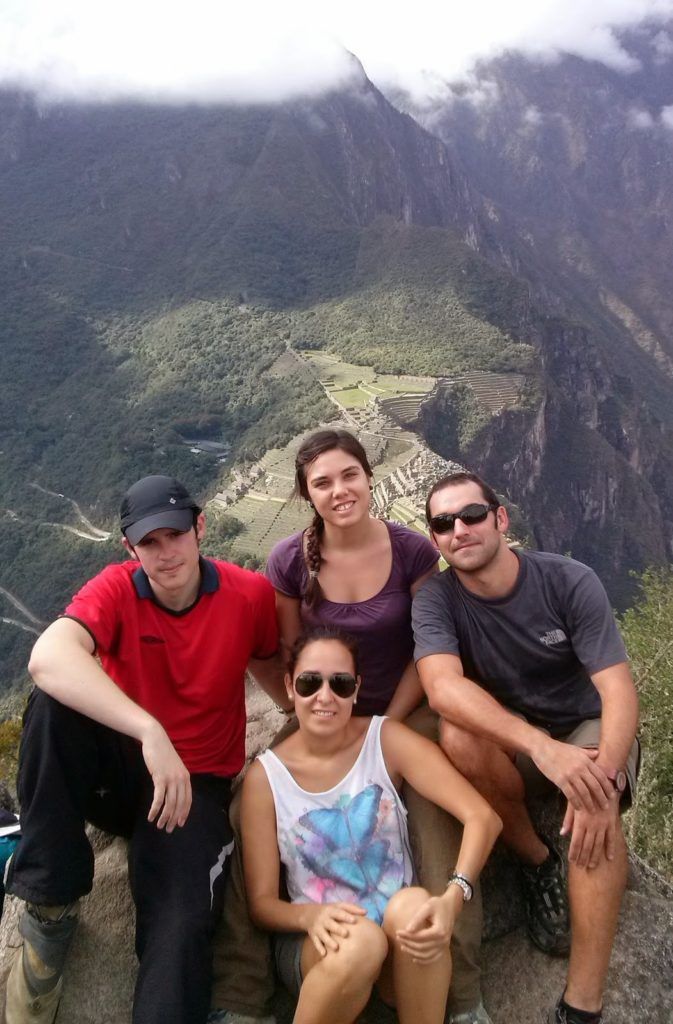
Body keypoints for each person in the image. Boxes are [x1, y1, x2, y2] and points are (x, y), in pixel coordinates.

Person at [212, 429, 490, 1024]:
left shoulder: (413, 551)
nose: (340, 491)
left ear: (369, 475)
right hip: (333, 703)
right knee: (245, 809)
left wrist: (385, 726)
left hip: (402, 708)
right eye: (323, 483)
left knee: (435, 830)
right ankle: (239, 993)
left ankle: (462, 998)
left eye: (349, 475)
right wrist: (305, 710)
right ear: (306, 495)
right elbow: (293, 655)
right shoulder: (289, 560)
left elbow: (428, 643)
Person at [3, 475, 280, 1024]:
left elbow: (273, 669)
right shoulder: (116, 588)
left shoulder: (248, 594)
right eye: (149, 542)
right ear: (130, 549)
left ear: (200, 528)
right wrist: (150, 731)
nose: (165, 551)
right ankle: (51, 904)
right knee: (53, 704)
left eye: (175, 534)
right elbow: (48, 656)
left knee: (178, 921)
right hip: (123, 770)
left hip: (192, 787)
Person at [412, 471, 640, 1024]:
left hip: (585, 724)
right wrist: (541, 748)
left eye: (471, 515)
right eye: (444, 524)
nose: (459, 530)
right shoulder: (436, 600)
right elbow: (441, 687)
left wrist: (603, 774)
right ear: (435, 539)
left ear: (500, 519)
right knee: (456, 732)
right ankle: (538, 861)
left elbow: (616, 689)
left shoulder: (567, 580)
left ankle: (582, 1005)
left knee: (595, 806)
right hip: (520, 737)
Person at [241, 627, 502, 1024]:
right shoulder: (267, 778)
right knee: (361, 941)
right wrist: (309, 917)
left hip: (399, 945)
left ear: (357, 689)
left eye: (340, 684)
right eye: (310, 682)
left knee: (416, 905)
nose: (325, 696)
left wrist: (452, 897)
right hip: (323, 948)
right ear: (290, 687)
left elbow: (482, 817)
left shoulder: (385, 740)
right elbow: (261, 905)